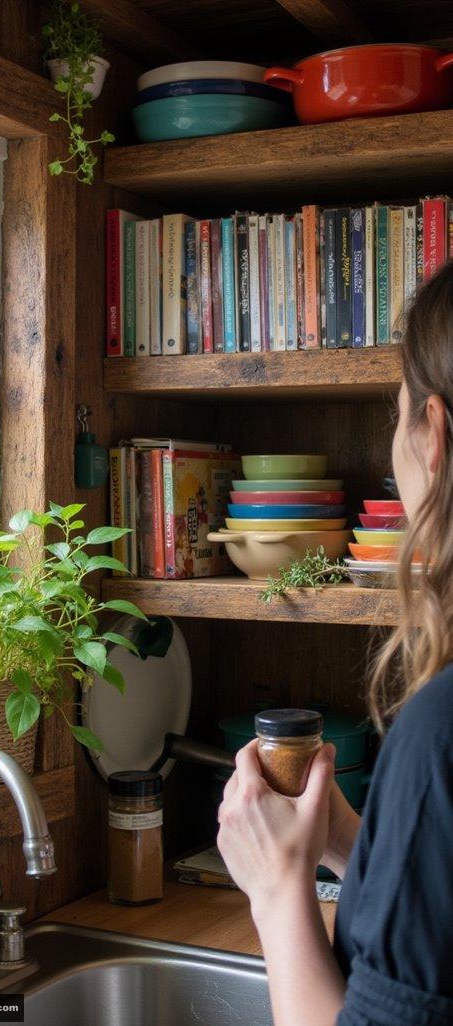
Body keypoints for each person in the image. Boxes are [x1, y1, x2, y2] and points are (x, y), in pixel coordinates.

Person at [217, 261, 453, 1026]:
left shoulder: (440, 733)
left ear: (434, 435)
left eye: (395, 416)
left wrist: (276, 889)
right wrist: (353, 840)